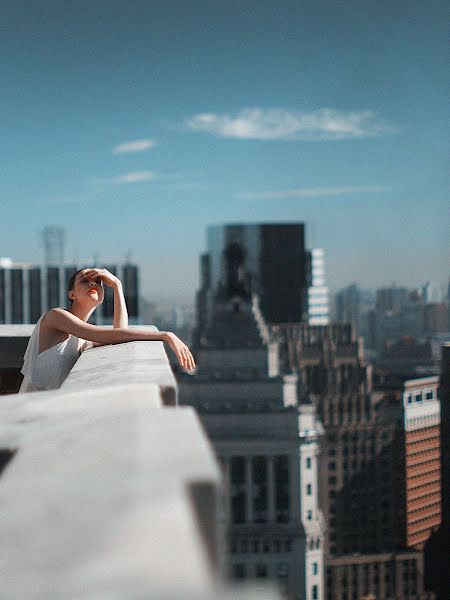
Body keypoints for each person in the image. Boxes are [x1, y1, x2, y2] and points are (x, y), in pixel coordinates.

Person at [19, 267, 195, 393]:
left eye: (97, 282)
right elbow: (113, 334)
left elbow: (119, 334)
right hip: (36, 410)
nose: (92, 284)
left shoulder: (83, 335)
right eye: (85, 281)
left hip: (56, 408)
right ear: (71, 294)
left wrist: (117, 286)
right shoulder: (56, 316)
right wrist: (165, 335)